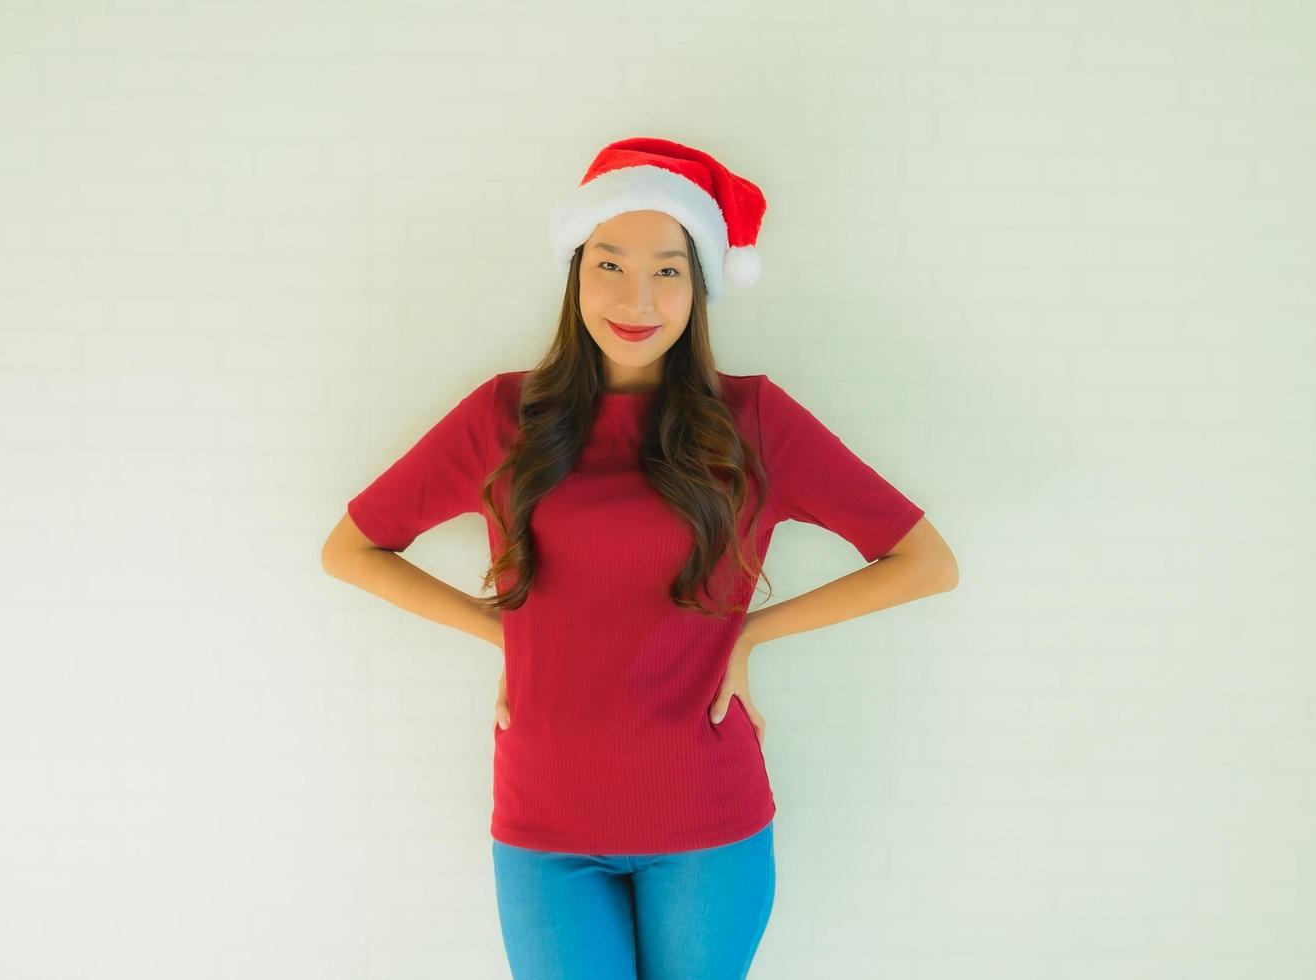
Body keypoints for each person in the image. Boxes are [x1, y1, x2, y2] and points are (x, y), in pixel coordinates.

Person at [322, 137, 959, 979]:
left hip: (709, 819)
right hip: (544, 819)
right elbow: (354, 549)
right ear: (575, 274)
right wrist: (504, 634)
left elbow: (922, 560)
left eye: (668, 270)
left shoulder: (753, 420)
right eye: (610, 265)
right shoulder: (502, 415)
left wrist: (749, 635)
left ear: (700, 288)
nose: (637, 297)